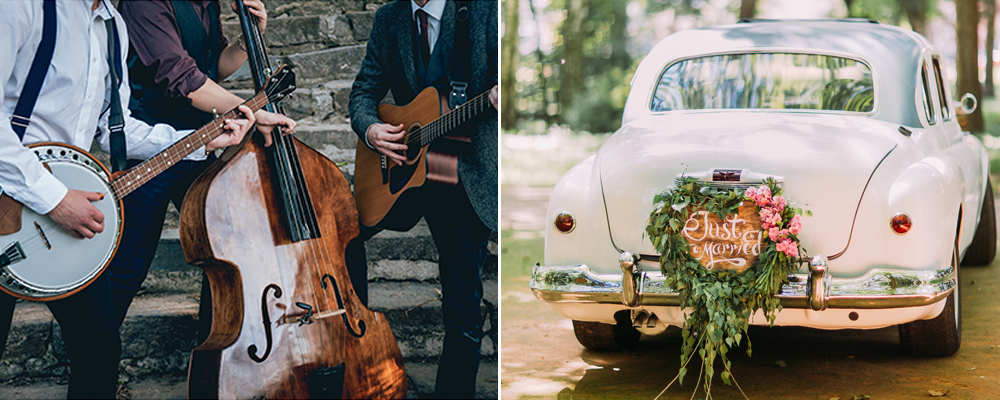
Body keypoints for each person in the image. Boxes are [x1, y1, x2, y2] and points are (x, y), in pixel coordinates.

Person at [0, 1, 292, 397]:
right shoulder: (21, 8)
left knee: (99, 344)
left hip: (55, 220)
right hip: (16, 204)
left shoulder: (112, 27)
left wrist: (202, 142)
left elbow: (114, 128)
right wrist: (55, 199)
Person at [348, 0, 498, 397]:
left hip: (464, 172)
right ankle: (354, 348)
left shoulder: (486, 11)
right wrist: (372, 131)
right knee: (341, 236)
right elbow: (364, 90)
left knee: (462, 306)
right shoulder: (390, 17)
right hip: (400, 170)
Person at [114, 0, 294, 328]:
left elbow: (212, 68)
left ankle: (220, 345)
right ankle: (95, 347)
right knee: (126, 269)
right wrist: (251, 111)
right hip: (149, 149)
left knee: (228, 250)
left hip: (200, 142)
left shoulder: (207, 4)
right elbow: (181, 77)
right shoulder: (144, 3)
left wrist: (247, 39)